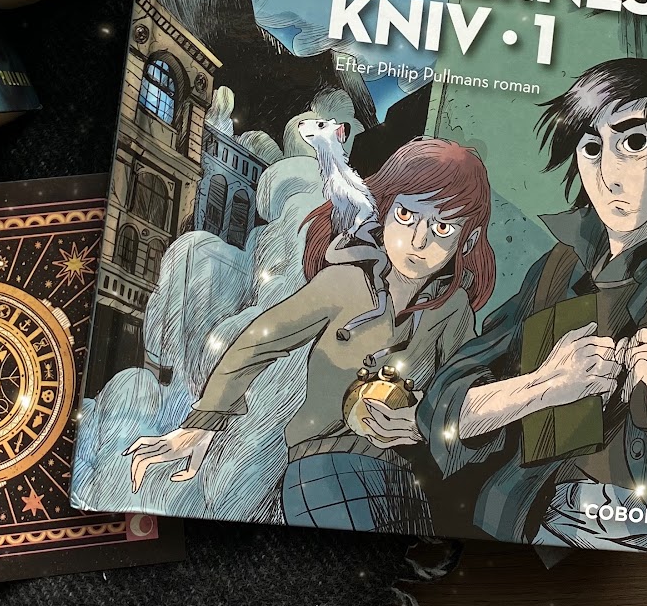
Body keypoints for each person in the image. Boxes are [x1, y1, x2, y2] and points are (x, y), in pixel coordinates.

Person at [365, 58, 647, 552]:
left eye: (633, 143)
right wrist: (546, 385)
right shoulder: (558, 267)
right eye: (592, 149)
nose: (609, 175)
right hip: (520, 514)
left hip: (642, 532)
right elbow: (453, 394)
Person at [125, 137, 496, 534]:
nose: (418, 241)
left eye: (442, 227)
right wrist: (203, 422)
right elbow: (258, 341)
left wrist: (423, 418)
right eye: (406, 215)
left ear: (468, 240)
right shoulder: (345, 282)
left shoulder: (453, 309)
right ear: (384, 209)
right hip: (319, 465)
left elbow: (468, 390)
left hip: (399, 478)